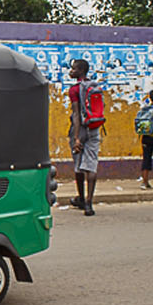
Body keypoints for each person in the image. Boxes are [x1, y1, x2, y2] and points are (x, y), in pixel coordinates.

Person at [67, 59, 102, 216]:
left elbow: (76, 114)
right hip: (94, 127)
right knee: (91, 165)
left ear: (81, 70)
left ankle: (81, 198)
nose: (71, 71)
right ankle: (89, 202)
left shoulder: (74, 89)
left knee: (79, 164)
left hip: (80, 129)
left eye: (74, 69)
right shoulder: (95, 86)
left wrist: (76, 138)